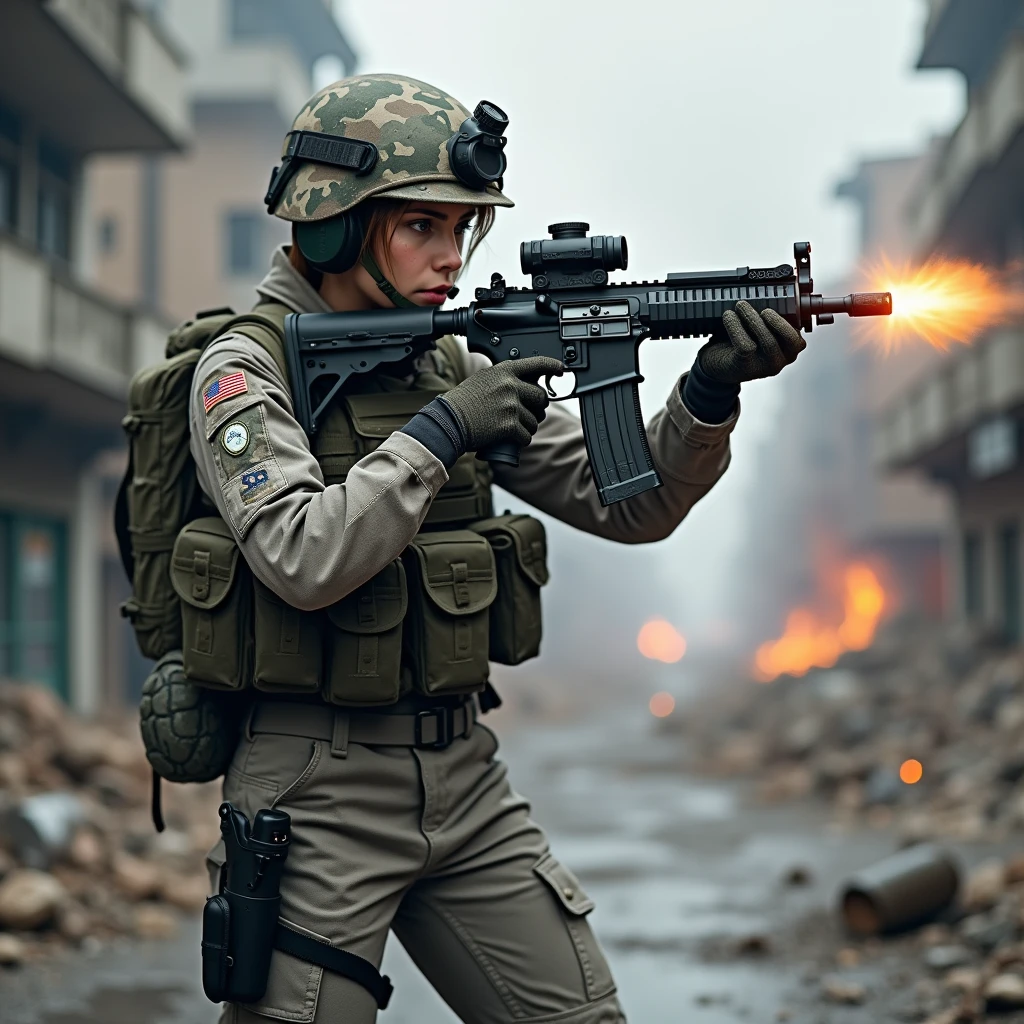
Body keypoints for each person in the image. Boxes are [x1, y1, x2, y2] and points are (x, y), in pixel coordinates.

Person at [190, 74, 806, 1024]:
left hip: (463, 778)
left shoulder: (453, 357)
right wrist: (441, 434)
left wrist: (709, 395)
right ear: (333, 227)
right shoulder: (244, 370)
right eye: (420, 227)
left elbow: (628, 502)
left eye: (462, 229)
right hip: (313, 795)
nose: (450, 256)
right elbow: (302, 555)